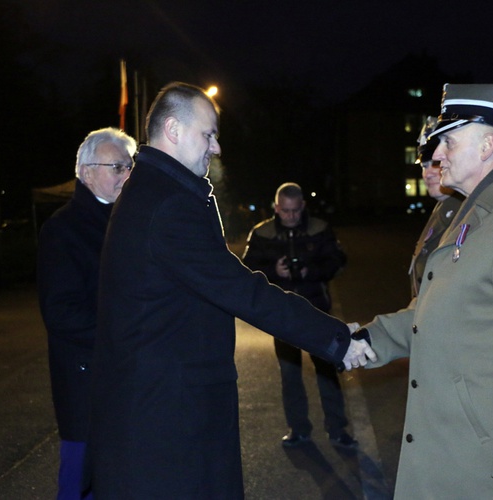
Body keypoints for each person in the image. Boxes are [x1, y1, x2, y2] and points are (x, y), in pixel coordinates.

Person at [87, 82, 374, 499]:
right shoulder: (167, 203)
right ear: (174, 129)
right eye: (209, 134)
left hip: (164, 412)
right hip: (167, 425)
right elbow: (242, 290)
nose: (216, 147)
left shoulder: (154, 190)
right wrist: (334, 340)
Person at [354, 83, 493, 499]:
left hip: (488, 461)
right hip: (455, 448)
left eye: (449, 143)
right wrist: (371, 338)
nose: (437, 155)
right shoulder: (471, 212)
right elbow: (444, 311)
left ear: (488, 144)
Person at [37, 127, 136, 499]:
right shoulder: (63, 229)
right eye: (117, 167)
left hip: (125, 379)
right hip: (86, 383)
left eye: (129, 167)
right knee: (79, 483)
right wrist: (126, 330)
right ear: (86, 170)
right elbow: (60, 313)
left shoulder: (125, 222)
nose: (126, 175)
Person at [242, 182, 356, 449]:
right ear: (276, 208)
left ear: (302, 206)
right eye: (285, 211)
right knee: (290, 374)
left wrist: (310, 270)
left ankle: (338, 429)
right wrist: (274, 270)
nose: (290, 216)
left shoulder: (319, 228)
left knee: (327, 372)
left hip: (317, 310)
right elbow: (247, 270)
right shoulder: (262, 232)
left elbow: (337, 260)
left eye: (295, 211)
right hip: (282, 316)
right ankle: (298, 428)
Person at [408, 116, 464, 298]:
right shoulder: (442, 207)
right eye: (424, 166)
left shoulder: (462, 211)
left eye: (435, 163)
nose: (427, 174)